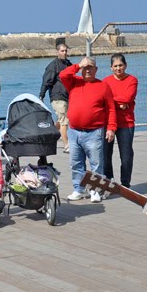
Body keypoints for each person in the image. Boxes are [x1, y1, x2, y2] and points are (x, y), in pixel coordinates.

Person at [59, 57, 116, 202]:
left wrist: (111, 128)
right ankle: (79, 189)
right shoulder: (74, 82)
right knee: (76, 162)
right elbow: (62, 75)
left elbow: (111, 109)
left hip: (94, 132)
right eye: (85, 67)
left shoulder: (103, 86)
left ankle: (95, 191)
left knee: (96, 164)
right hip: (74, 131)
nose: (88, 70)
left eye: (91, 67)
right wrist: (78, 65)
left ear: (96, 70)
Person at [102, 54, 139, 188]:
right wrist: (120, 104)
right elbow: (104, 100)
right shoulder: (105, 82)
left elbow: (128, 97)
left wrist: (115, 101)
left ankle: (125, 183)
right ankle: (109, 180)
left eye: (120, 65)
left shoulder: (132, 80)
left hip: (126, 122)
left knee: (126, 155)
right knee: (106, 155)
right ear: (111, 68)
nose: (118, 68)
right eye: (115, 66)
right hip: (108, 123)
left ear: (125, 65)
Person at [39, 43, 72, 153]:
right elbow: (46, 81)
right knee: (64, 121)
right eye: (62, 51)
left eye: (66, 50)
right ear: (57, 52)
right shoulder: (53, 66)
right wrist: (41, 95)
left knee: (61, 120)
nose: (64, 53)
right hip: (57, 97)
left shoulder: (68, 64)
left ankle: (47, 135)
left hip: (67, 96)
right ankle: (67, 145)